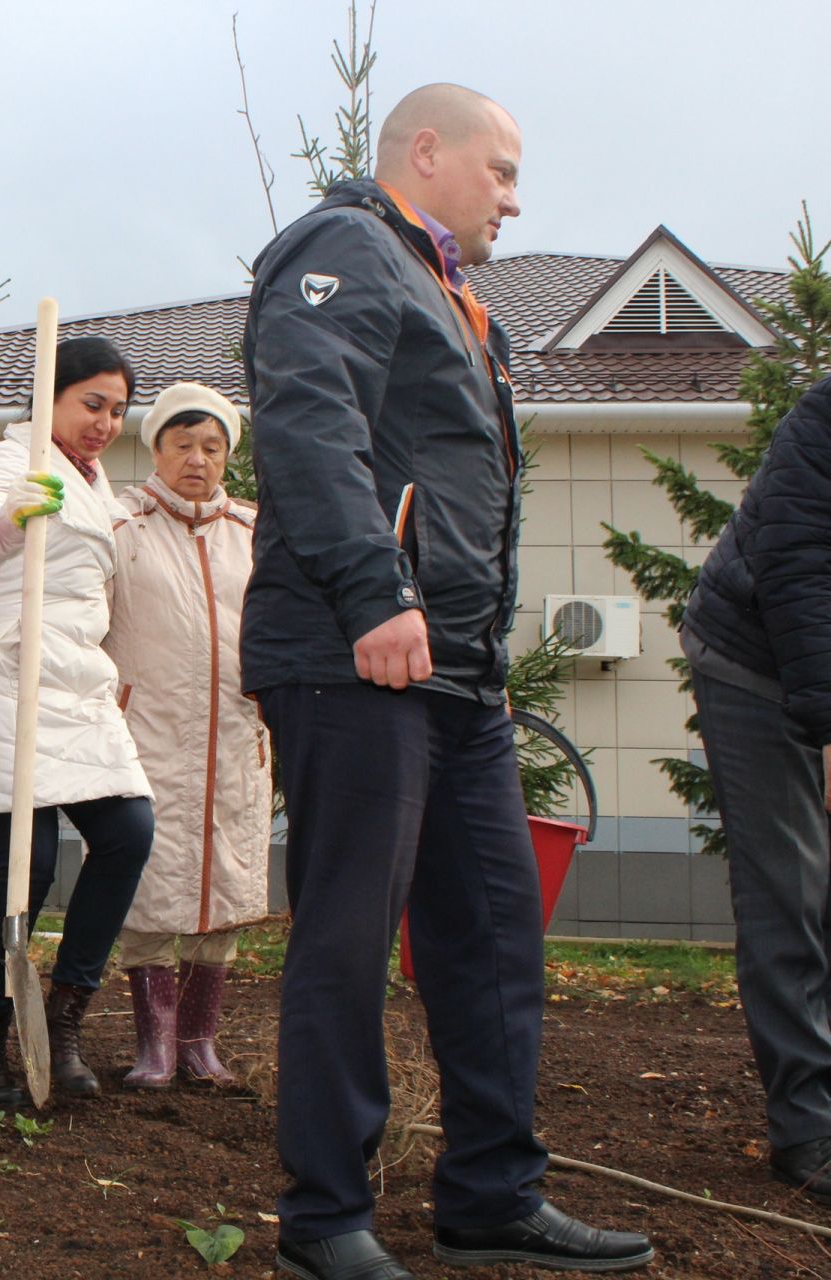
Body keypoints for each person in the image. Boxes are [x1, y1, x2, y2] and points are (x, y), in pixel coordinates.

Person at [243, 83, 651, 1278]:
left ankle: (491, 1194)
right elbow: (312, 425)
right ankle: (324, 1218)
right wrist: (377, 592)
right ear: (429, 152)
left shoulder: (460, 300)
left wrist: (466, 645)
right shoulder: (345, 247)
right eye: (503, 172)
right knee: (349, 935)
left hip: (456, 676)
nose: (515, 201)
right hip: (353, 651)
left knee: (491, 937)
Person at [0, 335, 155, 1106]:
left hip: (77, 680)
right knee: (29, 859)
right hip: (7, 668)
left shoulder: (102, 493)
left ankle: (61, 1019)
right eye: (92, 403)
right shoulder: (10, 459)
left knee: (129, 832)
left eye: (118, 411)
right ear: (49, 397)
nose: (105, 423)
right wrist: (5, 521)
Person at [681, 376, 831, 1203]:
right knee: (792, 885)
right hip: (757, 660)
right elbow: (801, 566)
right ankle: (807, 1128)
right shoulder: (827, 416)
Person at [100, 382, 270, 1093]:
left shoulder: (257, 533)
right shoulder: (120, 526)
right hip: (146, 734)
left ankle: (200, 1042)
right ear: (157, 449)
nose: (197, 460)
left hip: (235, 735)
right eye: (182, 444)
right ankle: (155, 1045)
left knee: (226, 882)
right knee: (148, 881)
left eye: (212, 447)